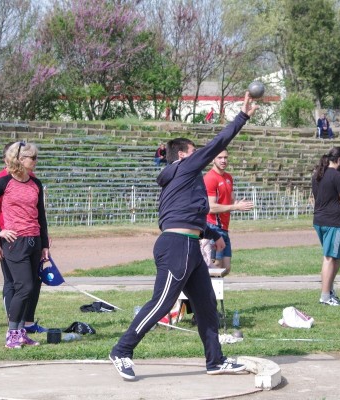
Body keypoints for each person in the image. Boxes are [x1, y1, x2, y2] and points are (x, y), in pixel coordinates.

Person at [109, 92, 259, 380]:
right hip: (175, 245)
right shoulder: (184, 167)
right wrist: (242, 116)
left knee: (206, 305)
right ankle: (122, 350)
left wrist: (213, 232)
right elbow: (218, 143)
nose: (199, 155)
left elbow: (192, 214)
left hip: (190, 245)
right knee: (163, 302)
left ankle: (215, 361)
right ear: (182, 155)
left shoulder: (186, 181)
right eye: (194, 152)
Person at [0, 142, 50, 348]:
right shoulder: (3, 182)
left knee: (31, 286)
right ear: (20, 159)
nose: (35, 161)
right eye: (32, 157)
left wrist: (44, 244)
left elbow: (41, 217)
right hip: (14, 242)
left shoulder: (36, 184)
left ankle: (22, 332)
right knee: (23, 287)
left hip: (34, 240)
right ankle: (12, 334)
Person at [204, 149, 254, 276]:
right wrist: (235, 207)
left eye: (225, 157)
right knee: (215, 267)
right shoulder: (210, 178)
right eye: (220, 157)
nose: (223, 160)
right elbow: (211, 207)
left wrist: (238, 204)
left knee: (225, 268)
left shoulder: (228, 177)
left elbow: (231, 200)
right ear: (213, 160)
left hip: (224, 228)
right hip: (213, 227)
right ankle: (205, 295)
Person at [312, 147, 340, 306]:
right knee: (330, 257)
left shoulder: (317, 174)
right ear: (339, 160)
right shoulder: (338, 176)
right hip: (333, 222)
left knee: (336, 255)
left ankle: (329, 289)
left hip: (319, 220)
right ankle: (325, 296)